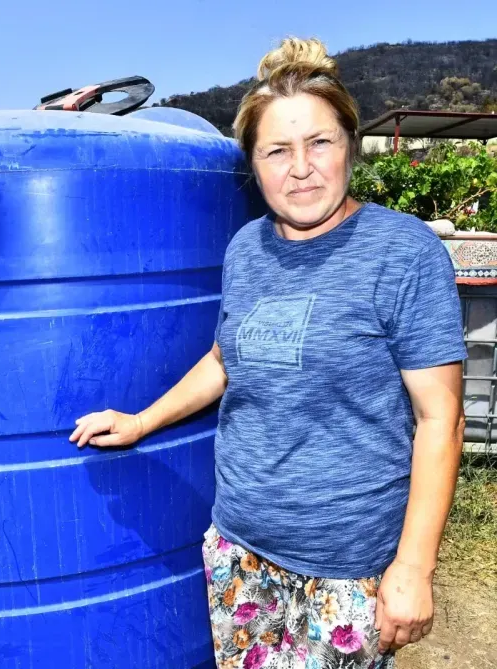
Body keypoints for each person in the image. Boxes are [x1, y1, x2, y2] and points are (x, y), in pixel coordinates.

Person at [70, 37, 466, 669]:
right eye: (277, 150)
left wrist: (414, 567)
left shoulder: (403, 253)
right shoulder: (247, 248)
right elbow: (227, 358)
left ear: (350, 148)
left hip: (345, 569)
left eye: (320, 143)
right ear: (253, 165)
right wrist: (142, 420)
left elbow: (440, 419)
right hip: (239, 550)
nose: (300, 167)